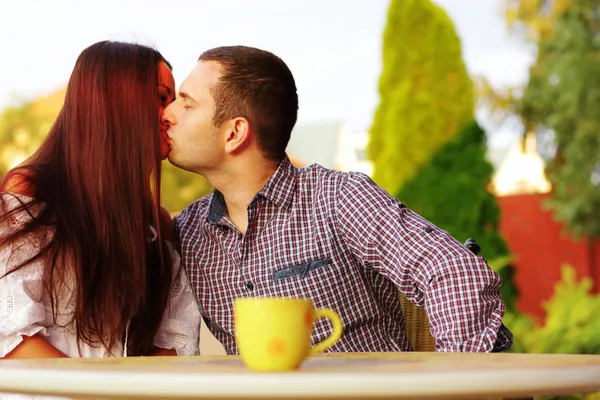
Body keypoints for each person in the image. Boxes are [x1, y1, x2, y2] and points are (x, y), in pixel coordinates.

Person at [163, 45, 512, 354]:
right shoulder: (188, 234)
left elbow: (455, 272)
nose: (167, 113)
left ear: (234, 133)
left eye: (186, 103)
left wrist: (452, 387)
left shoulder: (338, 199)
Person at [0, 41, 201, 364]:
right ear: (116, 102)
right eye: (162, 97)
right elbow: (10, 338)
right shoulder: (30, 196)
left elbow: (172, 342)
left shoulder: (158, 227)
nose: (173, 113)